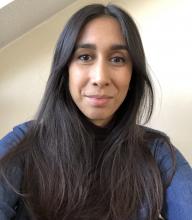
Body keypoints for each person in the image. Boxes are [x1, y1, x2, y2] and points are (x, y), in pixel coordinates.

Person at [0, 3, 192, 220]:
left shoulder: (157, 152)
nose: (100, 77)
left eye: (117, 59)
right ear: (66, 70)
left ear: (133, 75)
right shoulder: (24, 143)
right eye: (85, 57)